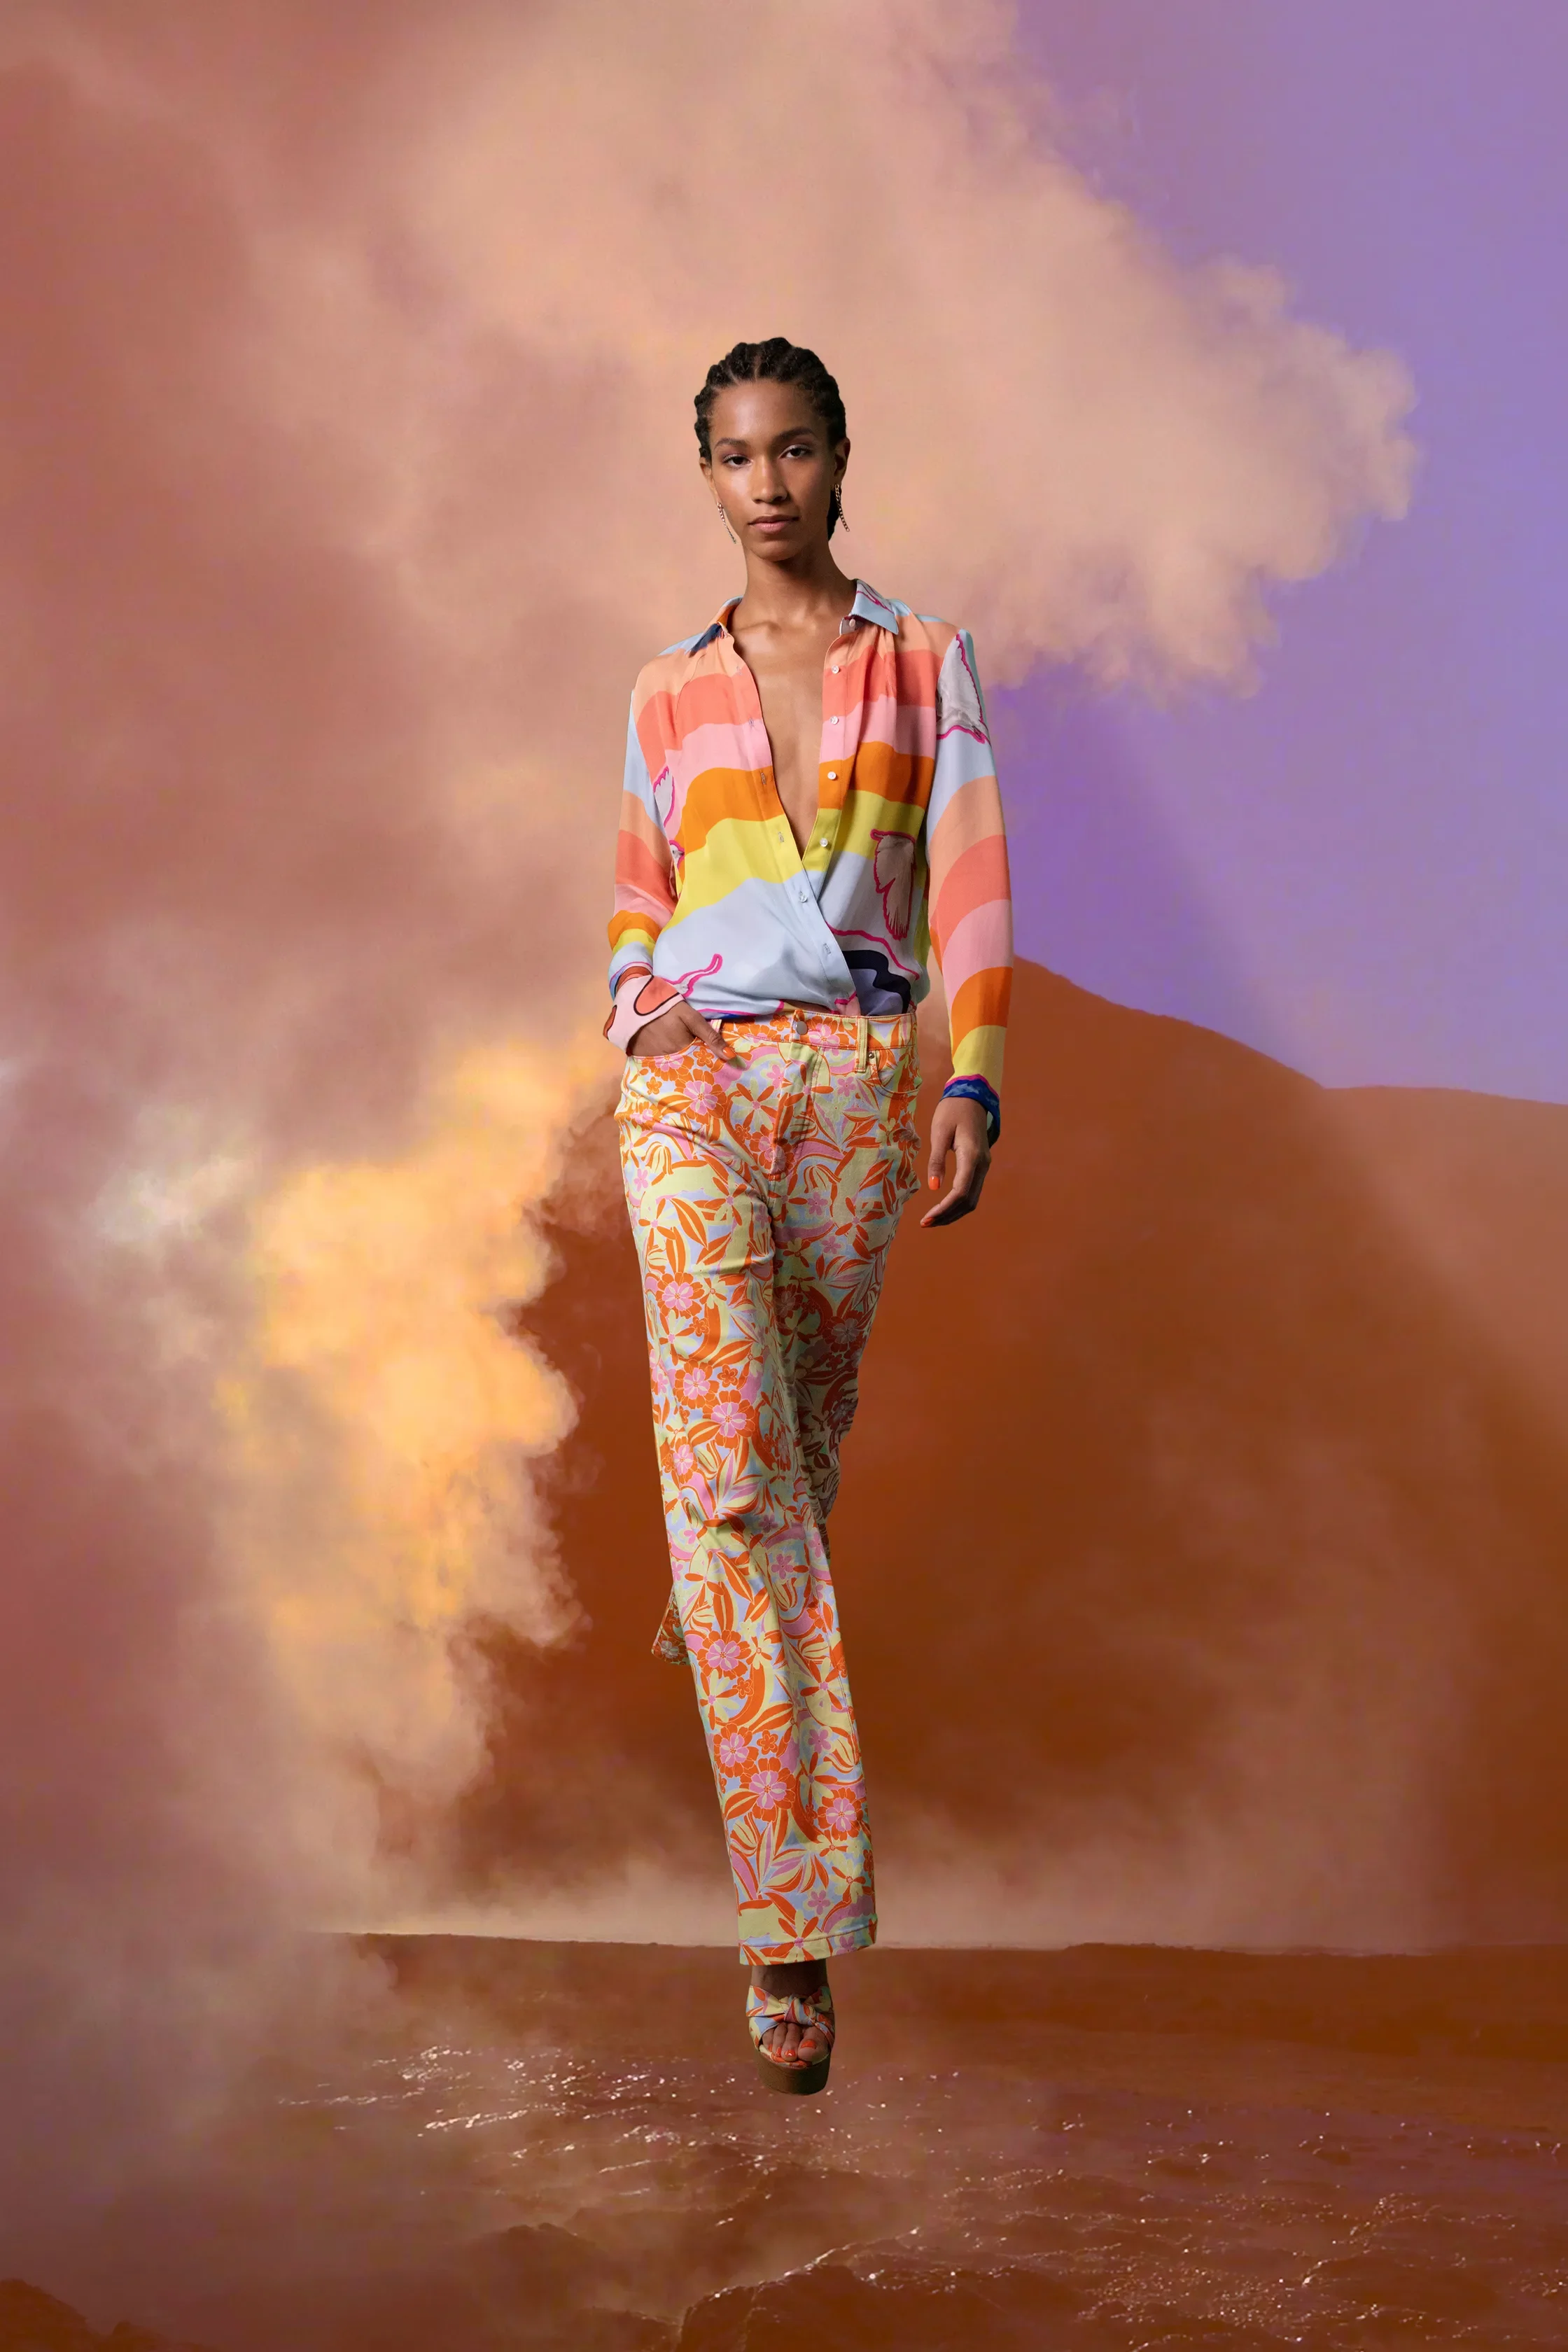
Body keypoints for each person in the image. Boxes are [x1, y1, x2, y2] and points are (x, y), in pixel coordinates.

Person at [605, 337, 1012, 2094]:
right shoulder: (663, 689)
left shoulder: (925, 660)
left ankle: (719, 1581)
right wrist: (644, 1014)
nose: (763, 483)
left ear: (840, 460)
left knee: (789, 1457)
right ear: (704, 475)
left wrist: (973, 1074)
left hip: (852, 1084)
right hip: (691, 1084)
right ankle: (790, 1922)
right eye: (732, 455)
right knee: (737, 1480)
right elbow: (635, 896)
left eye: (791, 450)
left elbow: (972, 873)